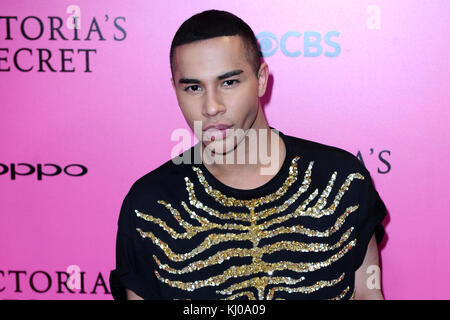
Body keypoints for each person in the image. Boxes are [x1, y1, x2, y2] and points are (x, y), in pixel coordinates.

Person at [109, 9, 387, 300]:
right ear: (175, 91)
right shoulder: (150, 204)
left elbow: (367, 294)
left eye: (229, 82)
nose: (211, 106)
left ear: (261, 79)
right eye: (193, 87)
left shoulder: (340, 179)